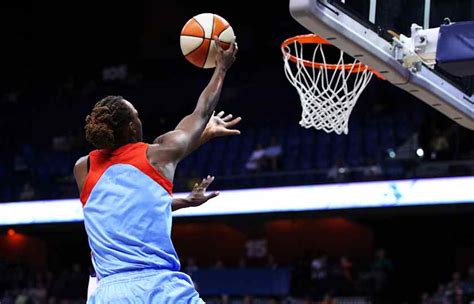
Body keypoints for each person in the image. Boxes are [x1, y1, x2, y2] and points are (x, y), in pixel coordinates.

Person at [74, 37, 238, 303]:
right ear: (130, 127)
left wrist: (184, 201)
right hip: (158, 287)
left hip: (109, 293)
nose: (140, 119)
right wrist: (222, 68)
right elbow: (202, 111)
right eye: (136, 115)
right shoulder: (158, 153)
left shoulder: (84, 168)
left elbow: (129, 205)